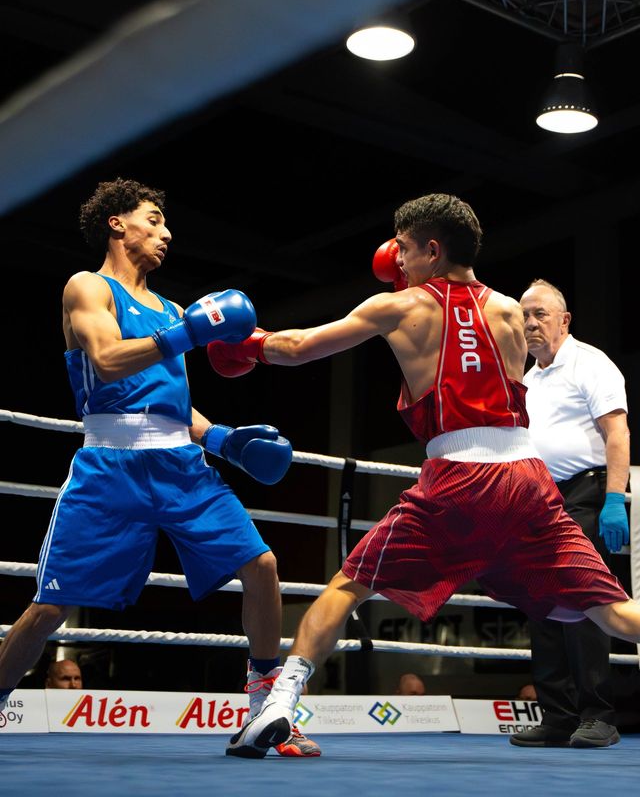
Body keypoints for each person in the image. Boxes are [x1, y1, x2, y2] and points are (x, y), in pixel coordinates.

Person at [207, 192, 640, 758]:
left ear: (431, 250)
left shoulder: (404, 307)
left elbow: (299, 349)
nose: (399, 260)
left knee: (347, 588)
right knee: (610, 612)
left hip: (456, 480)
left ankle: (279, 705)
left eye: (406, 249)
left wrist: (244, 341)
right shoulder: (511, 311)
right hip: (526, 481)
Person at [0, 178, 319, 758]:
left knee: (263, 566)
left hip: (181, 465)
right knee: (50, 606)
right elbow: (107, 360)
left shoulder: (172, 309)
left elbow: (172, 400)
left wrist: (222, 439)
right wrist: (191, 332)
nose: (166, 232)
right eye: (153, 219)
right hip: (109, 467)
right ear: (117, 224)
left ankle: (265, 711)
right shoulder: (88, 288)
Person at [509, 280, 630, 749]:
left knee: (581, 600)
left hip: (587, 491)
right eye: (524, 315)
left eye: (541, 314)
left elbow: (616, 432)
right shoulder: (528, 377)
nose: (531, 323)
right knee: (541, 603)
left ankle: (598, 714)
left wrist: (615, 499)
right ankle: (557, 715)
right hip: (537, 499)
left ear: (564, 320)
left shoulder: (591, 362)